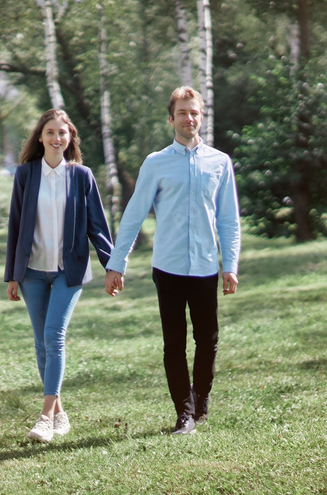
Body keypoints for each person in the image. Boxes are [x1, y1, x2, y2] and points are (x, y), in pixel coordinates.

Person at [104, 86, 241, 435]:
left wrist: (231, 265)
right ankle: (184, 413)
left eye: (194, 112)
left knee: (208, 339)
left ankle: (201, 401)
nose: (189, 118)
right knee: (174, 342)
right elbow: (134, 215)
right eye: (182, 112)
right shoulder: (156, 163)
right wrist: (116, 263)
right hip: (168, 266)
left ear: (201, 116)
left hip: (206, 265)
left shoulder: (220, 163)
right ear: (171, 119)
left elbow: (228, 219)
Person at [5, 109, 114, 443]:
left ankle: (43, 417)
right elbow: (15, 226)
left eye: (62, 133)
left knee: (54, 336)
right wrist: (12, 274)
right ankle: (59, 413)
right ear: (41, 137)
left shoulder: (81, 176)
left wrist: (113, 265)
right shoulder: (25, 175)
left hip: (69, 271)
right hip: (32, 273)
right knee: (42, 344)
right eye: (50, 132)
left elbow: (97, 225)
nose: (56, 138)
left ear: (70, 138)